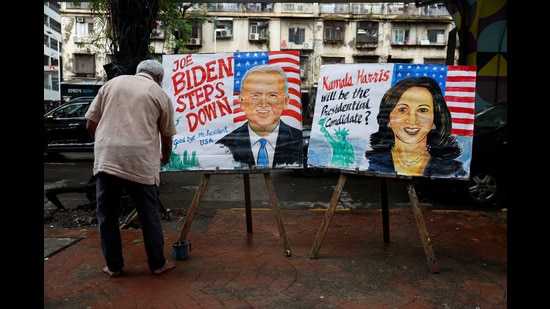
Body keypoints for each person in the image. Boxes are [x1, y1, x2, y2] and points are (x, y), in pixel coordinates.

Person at [85, 59, 177, 277]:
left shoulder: (112, 84)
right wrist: (165, 157)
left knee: (107, 214)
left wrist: (105, 143)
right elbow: (166, 135)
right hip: (140, 161)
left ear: (138, 72)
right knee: (149, 215)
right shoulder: (159, 94)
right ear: (159, 78)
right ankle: (157, 264)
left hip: (108, 158)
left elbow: (90, 123)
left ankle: (114, 266)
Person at [365, 76, 465, 177]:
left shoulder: (452, 170)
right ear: (388, 118)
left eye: (422, 110)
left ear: (435, 119)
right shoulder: (367, 163)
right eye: (402, 109)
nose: (412, 120)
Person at [216, 64, 303, 168]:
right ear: (242, 102)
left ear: (285, 101)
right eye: (255, 95)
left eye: (272, 95)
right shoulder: (224, 145)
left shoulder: (299, 141)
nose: (263, 103)